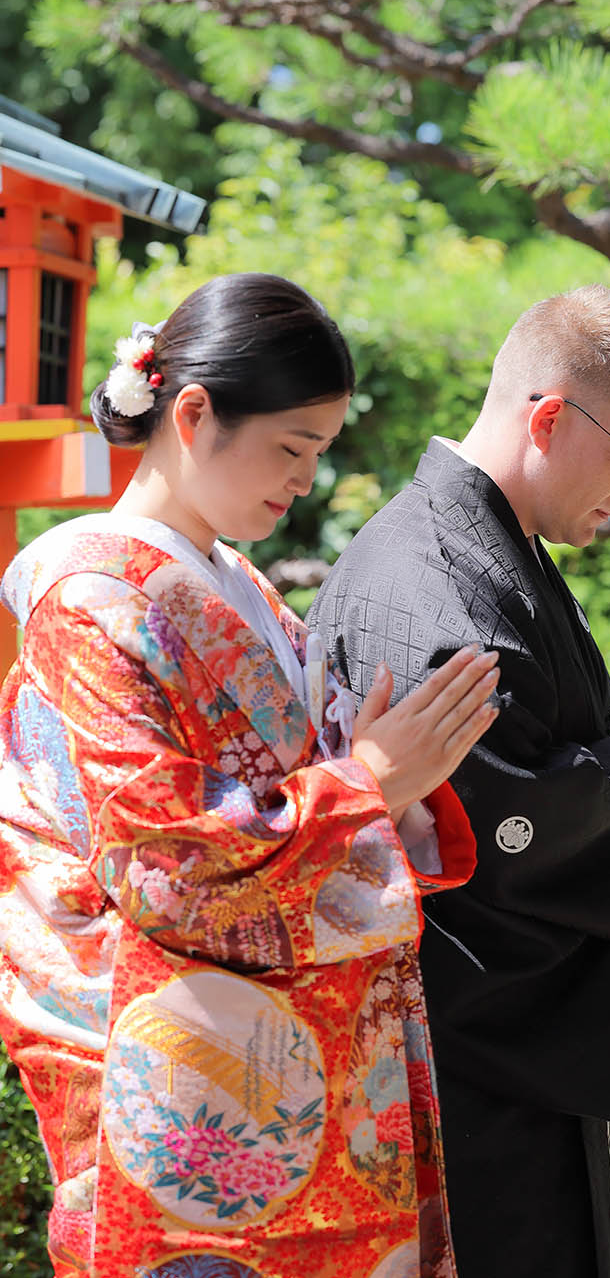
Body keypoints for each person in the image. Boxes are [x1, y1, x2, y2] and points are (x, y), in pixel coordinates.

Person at [0, 272, 500, 1278]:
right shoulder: (87, 595)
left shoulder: (240, 585)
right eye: (292, 448)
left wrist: (375, 775)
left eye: (316, 453)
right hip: (188, 1077)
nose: (305, 480)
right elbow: (159, 858)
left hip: (312, 1058)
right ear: (192, 414)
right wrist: (365, 781)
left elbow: (312, 793)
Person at [307, 284, 610, 1278]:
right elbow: (492, 832)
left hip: (511, 1062)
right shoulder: (433, 582)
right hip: (481, 1068)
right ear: (551, 417)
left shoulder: (479, 546)